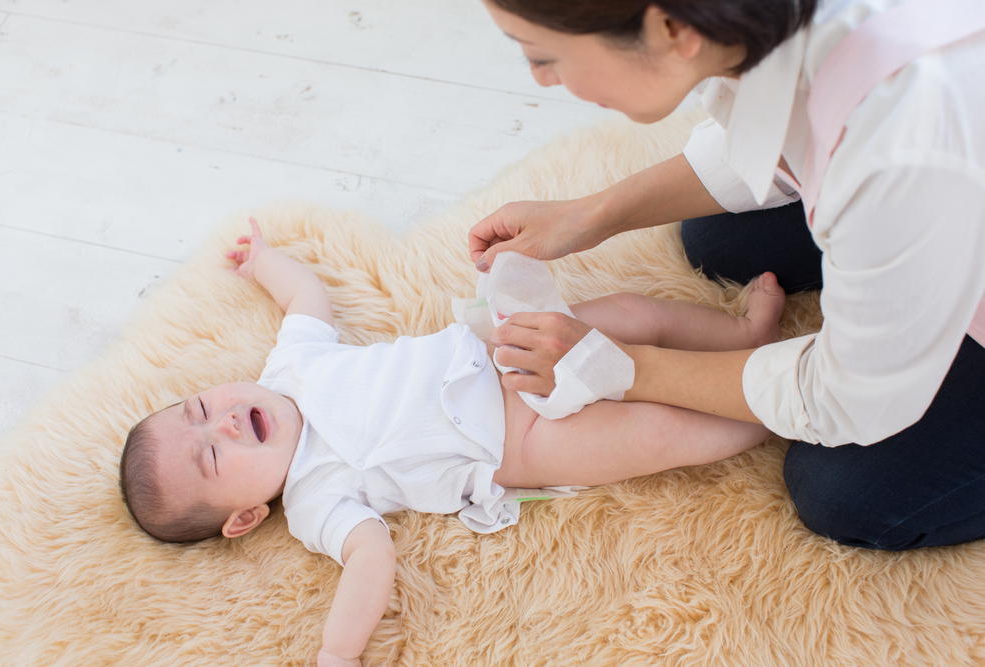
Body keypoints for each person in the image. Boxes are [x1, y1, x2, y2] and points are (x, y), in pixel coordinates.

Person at [119, 218, 783, 666]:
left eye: (204, 407)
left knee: (634, 314)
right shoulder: (313, 497)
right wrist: (338, 652)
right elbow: (369, 558)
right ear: (245, 516)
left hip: (502, 350)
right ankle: (778, 408)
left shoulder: (288, 368)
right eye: (213, 453)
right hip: (522, 440)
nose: (225, 423)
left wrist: (264, 260)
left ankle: (741, 339)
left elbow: (305, 301)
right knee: (661, 433)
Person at [469, 0, 985, 551]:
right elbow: (777, 138)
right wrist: (593, 214)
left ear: (669, 28)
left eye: (543, 56)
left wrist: (615, 367)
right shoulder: (777, 26)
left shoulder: (902, 148)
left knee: (843, 491)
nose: (540, 81)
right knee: (720, 240)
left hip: (941, 189)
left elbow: (850, 400)